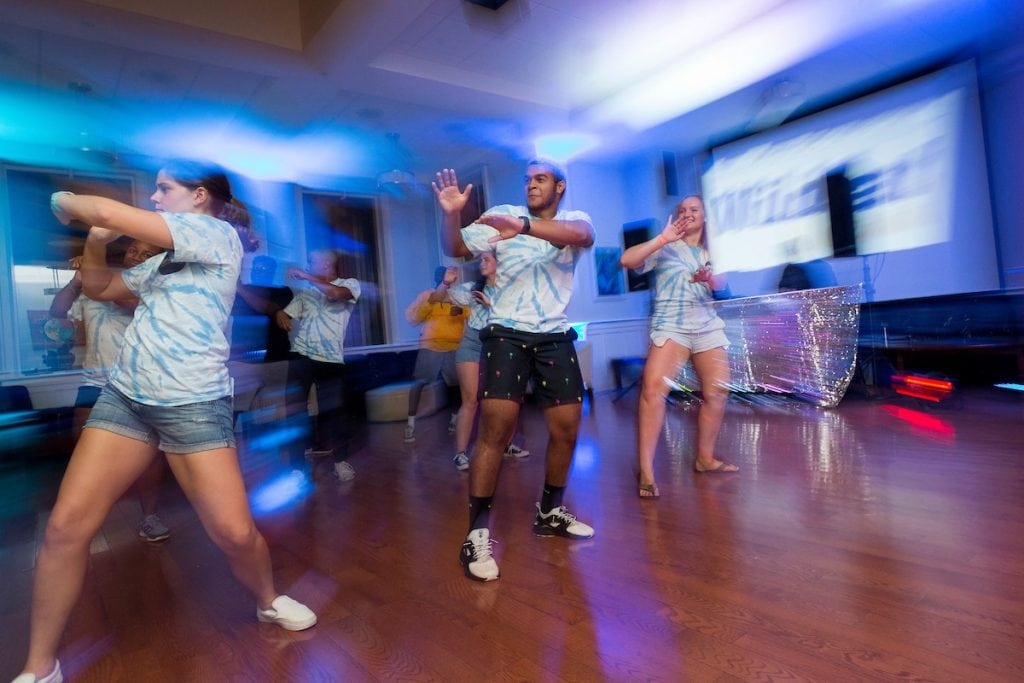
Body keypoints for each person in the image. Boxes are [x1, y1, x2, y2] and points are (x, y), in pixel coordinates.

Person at [14, 161, 317, 683]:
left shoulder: (218, 235)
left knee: (234, 533)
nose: (154, 198)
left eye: (164, 188)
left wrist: (61, 201)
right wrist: (94, 239)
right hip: (127, 398)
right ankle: (39, 666)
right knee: (64, 528)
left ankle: (267, 599)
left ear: (200, 196)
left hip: (193, 405)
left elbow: (109, 208)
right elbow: (100, 288)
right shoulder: (165, 263)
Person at [433, 159, 595, 583]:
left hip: (555, 334)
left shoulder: (573, 219)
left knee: (566, 428)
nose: (531, 186)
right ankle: (476, 532)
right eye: (527, 180)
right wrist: (451, 216)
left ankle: (550, 511)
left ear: (559, 187)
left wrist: (522, 227)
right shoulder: (499, 216)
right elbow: (456, 248)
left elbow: (582, 236)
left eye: (540, 179)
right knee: (497, 430)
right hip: (505, 332)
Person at [48, 238, 174, 543]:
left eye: (147, 255)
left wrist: (95, 272)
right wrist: (79, 279)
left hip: (139, 383)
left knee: (149, 456)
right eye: (133, 250)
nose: (137, 257)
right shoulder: (93, 285)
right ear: (125, 251)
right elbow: (57, 310)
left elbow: (125, 301)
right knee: (83, 450)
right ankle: (82, 519)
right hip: (94, 381)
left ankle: (149, 517)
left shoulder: (153, 289)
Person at [620, 195, 737, 501]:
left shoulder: (713, 250)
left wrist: (709, 277)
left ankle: (705, 458)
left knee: (717, 393)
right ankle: (646, 470)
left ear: (704, 217)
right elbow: (627, 261)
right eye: (682, 210)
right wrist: (661, 238)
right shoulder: (666, 246)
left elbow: (722, 286)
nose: (687, 214)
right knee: (652, 392)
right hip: (671, 326)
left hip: (707, 326)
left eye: (693, 209)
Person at [274, 249, 360, 482]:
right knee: (295, 413)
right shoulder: (305, 292)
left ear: (326, 265)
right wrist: (281, 314)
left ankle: (340, 461)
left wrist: (306, 277)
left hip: (331, 360)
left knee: (335, 413)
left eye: (312, 262)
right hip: (301, 356)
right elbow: (287, 313)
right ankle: (297, 468)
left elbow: (334, 294)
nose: (309, 265)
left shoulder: (349, 284)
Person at [447, 251, 530, 471]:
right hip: (473, 344)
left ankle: (507, 445)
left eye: (487, 259)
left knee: (509, 400)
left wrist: (490, 304)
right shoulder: (474, 288)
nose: (481, 263)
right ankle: (460, 454)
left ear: (498, 264)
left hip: (500, 344)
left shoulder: (509, 289)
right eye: (481, 259)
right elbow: (438, 299)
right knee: (470, 400)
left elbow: (519, 317)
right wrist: (445, 285)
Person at [402, 266, 465, 443]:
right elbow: (412, 318)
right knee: (419, 383)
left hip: (454, 346)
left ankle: (454, 421)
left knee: (456, 386)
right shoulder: (427, 295)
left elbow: (471, 315)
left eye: (446, 275)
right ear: (436, 277)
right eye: (440, 275)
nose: (443, 278)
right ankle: (410, 425)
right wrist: (431, 303)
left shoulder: (459, 296)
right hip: (430, 345)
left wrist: (461, 312)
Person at [234, 254, 294, 363]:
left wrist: (240, 289)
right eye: (255, 268)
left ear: (272, 272)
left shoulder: (283, 291)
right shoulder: (244, 289)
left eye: (263, 269)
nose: (257, 272)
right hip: (243, 355)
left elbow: (268, 308)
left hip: (274, 354)